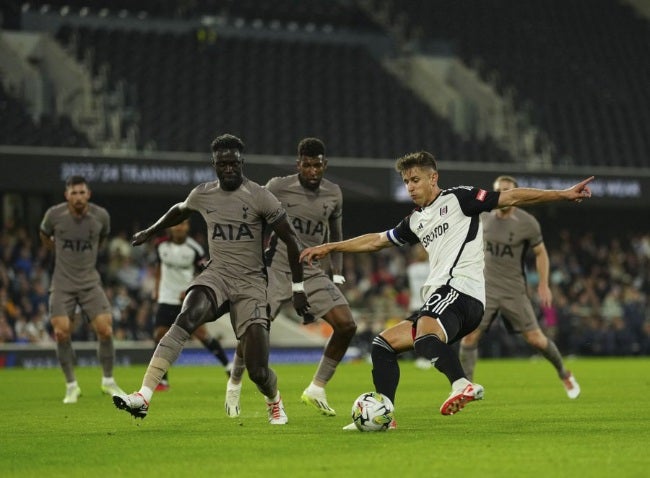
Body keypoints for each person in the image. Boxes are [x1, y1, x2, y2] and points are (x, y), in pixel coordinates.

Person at [300, 151, 593, 427]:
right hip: (443, 298)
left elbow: (511, 196)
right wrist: (331, 247)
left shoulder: (459, 199)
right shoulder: (416, 220)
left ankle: (462, 384)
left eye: (415, 180)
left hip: (461, 291)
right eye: (406, 182)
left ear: (433, 178)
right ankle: (384, 414)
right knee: (383, 345)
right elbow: (376, 240)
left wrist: (563, 194)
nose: (410, 187)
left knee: (426, 335)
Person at [112, 134, 310, 425]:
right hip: (216, 275)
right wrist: (151, 231)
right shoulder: (203, 193)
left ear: (242, 162)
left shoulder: (260, 196)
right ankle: (143, 395)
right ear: (213, 164)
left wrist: (298, 287)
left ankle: (274, 400)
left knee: (258, 371)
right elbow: (179, 210)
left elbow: (291, 241)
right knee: (186, 317)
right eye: (222, 163)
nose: (228, 168)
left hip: (251, 285)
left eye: (233, 163)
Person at [224, 137, 356, 418]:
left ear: (325, 165)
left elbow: (336, 236)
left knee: (346, 325)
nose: (312, 171)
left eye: (317, 166)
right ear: (298, 164)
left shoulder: (334, 193)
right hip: (277, 267)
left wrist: (339, 274)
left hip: (311, 270)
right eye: (306, 165)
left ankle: (317, 388)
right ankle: (234, 383)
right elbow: (252, 220)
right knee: (253, 328)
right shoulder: (277, 187)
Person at [459, 175, 580, 398]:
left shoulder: (527, 223)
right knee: (469, 337)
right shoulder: (483, 216)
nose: (503, 194)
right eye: (499, 191)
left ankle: (564, 372)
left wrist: (544, 284)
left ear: (515, 194)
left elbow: (540, 252)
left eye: (507, 190)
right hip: (484, 288)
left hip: (513, 289)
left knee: (536, 339)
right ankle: (466, 387)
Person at [39, 175, 124, 403]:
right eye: (73, 193)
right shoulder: (54, 215)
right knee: (61, 332)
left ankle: (108, 381)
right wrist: (54, 250)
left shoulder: (101, 216)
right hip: (62, 282)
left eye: (82, 192)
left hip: (89, 281)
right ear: (66, 195)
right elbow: (44, 233)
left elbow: (102, 238)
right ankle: (71, 385)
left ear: (89, 194)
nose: (78, 197)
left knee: (105, 329)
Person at [152, 219, 232, 392]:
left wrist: (190, 288)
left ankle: (228, 366)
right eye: (176, 224)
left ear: (187, 227)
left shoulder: (195, 249)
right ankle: (163, 380)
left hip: (186, 299)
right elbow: (158, 267)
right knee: (159, 335)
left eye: (183, 224)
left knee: (202, 335)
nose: (179, 227)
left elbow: (206, 272)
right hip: (166, 298)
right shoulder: (160, 246)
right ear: (171, 227)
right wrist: (156, 288)